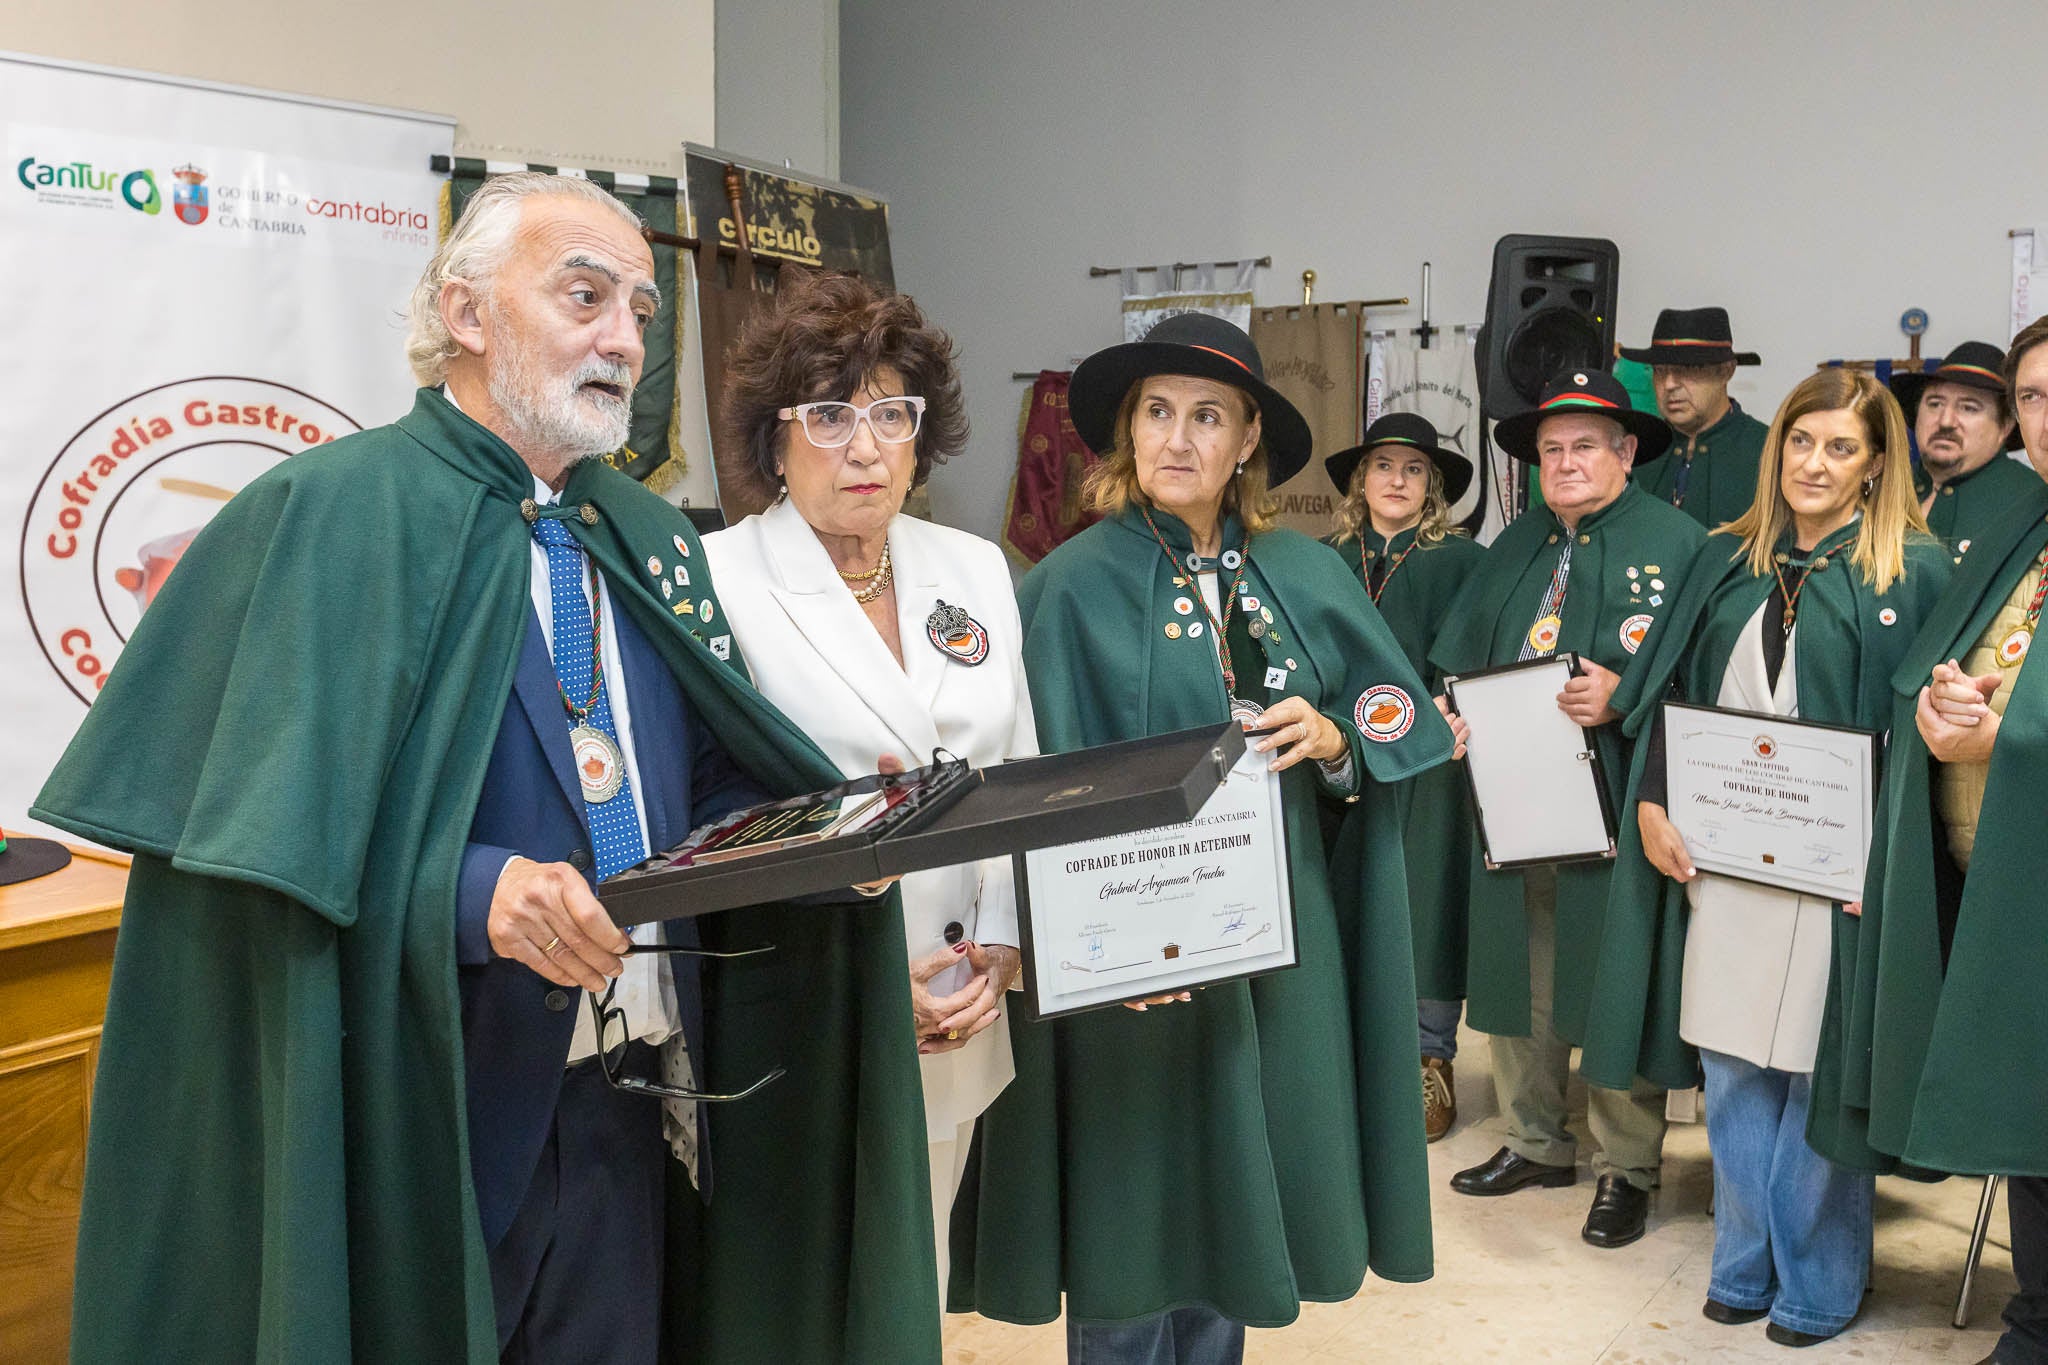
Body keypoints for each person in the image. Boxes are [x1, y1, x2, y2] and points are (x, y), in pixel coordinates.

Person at [32, 173, 940, 1364]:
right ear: (465, 314)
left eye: (637, 311)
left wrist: (832, 844)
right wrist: (474, 894)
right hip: (420, 1110)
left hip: (629, 1102)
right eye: (584, 296)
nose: (622, 336)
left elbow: (705, 788)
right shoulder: (328, 515)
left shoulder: (651, 537)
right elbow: (251, 848)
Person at [950, 314, 1457, 1363]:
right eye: (1157, 413)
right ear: (1127, 433)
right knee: (1128, 1219)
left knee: (1239, 1194)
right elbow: (1020, 789)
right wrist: (1092, 944)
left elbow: (1393, 723)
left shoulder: (1305, 575)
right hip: (1120, 970)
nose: (1177, 439)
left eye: (1207, 417)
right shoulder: (1062, 589)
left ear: (1244, 446)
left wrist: (1329, 741)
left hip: (1274, 960)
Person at [1591, 369, 1948, 1346]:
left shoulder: (1910, 573)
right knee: (1733, 1066)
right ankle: (1741, 1265)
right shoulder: (1724, 561)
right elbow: (1673, 692)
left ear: (1875, 464)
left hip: (1840, 872)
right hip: (1722, 858)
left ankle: (1818, 1282)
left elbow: (1923, 742)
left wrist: (1891, 872)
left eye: (1839, 447)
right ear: (1775, 449)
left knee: (1815, 1076)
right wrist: (1655, 800)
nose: (1814, 464)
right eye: (1800, 442)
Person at [702, 270, 1034, 1306]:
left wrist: (1006, 950)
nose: (864, 447)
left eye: (891, 414)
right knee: (801, 1292)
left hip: (955, 1007)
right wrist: (859, 986)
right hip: (804, 1007)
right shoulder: (715, 580)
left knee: (913, 1281)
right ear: (774, 436)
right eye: (830, 415)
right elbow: (713, 826)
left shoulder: (973, 568)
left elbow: (1014, 765)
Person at [1810, 314, 2048, 1365]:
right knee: (2030, 1123)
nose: (2046, 418)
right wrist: (1938, 706)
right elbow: (1951, 666)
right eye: (2034, 396)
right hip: (1995, 883)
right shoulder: (2021, 527)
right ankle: (2035, 1316)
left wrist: (2009, 732)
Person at [1429, 367, 1707, 1249]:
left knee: (1612, 976)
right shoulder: (1515, 546)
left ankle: (1627, 1166)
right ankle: (1536, 1138)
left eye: (1585, 445)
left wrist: (1627, 696)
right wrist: (1451, 710)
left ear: (1626, 452)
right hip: (1514, 804)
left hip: (1623, 803)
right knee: (1522, 973)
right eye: (1550, 450)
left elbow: (1711, 682)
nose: (1566, 462)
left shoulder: (1681, 544)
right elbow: (1459, 663)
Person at [1322, 412, 1484, 1142]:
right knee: (1338, 893)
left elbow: (1478, 656)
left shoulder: (1461, 563)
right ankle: (1346, 1059)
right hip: (1336, 752)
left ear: (1432, 487)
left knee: (1426, 901)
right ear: (1361, 478)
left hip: (1429, 759)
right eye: (1383, 465)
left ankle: (1429, 1057)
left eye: (1413, 469)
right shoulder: (1324, 559)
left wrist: (1452, 712)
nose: (1396, 479)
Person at [1620, 307, 1771, 528]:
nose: (1669, 384)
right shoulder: (1638, 451)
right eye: (1660, 370)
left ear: (1726, 371)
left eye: (1687, 368)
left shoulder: (1768, 450)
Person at [1891, 339, 2031, 560]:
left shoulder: (2032, 501)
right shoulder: (1884, 486)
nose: (1946, 421)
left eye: (1968, 408)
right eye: (1935, 404)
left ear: (2004, 426)